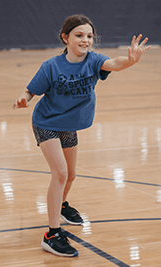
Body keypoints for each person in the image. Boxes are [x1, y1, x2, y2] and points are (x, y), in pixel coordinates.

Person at [13, 14, 151, 257]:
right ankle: (51, 234)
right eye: (79, 35)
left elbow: (115, 64)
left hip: (69, 125)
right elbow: (30, 90)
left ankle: (62, 205)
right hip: (46, 122)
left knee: (71, 175)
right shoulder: (52, 66)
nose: (85, 40)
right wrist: (24, 99)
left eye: (89, 36)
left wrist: (131, 61)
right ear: (65, 38)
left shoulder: (94, 61)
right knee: (60, 173)